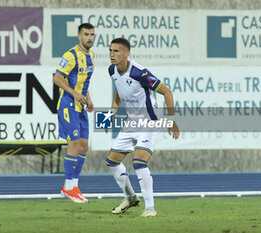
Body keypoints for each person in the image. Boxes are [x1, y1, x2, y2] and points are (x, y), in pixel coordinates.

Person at [105, 38, 180, 217]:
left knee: (139, 161)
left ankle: (150, 208)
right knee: (112, 161)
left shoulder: (140, 72)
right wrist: (110, 114)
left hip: (151, 122)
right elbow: (119, 92)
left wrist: (171, 119)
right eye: (110, 51)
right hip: (133, 122)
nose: (111, 54)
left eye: (116, 51)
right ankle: (130, 198)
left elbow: (167, 92)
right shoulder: (112, 70)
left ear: (127, 54)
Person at [53, 23, 95, 203]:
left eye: (92, 35)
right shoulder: (70, 55)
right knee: (75, 143)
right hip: (68, 104)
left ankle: (75, 186)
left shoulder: (91, 56)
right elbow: (57, 78)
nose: (90, 38)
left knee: (84, 146)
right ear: (79, 36)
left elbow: (83, 81)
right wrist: (75, 93)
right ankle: (67, 186)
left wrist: (88, 98)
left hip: (81, 105)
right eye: (86, 34)